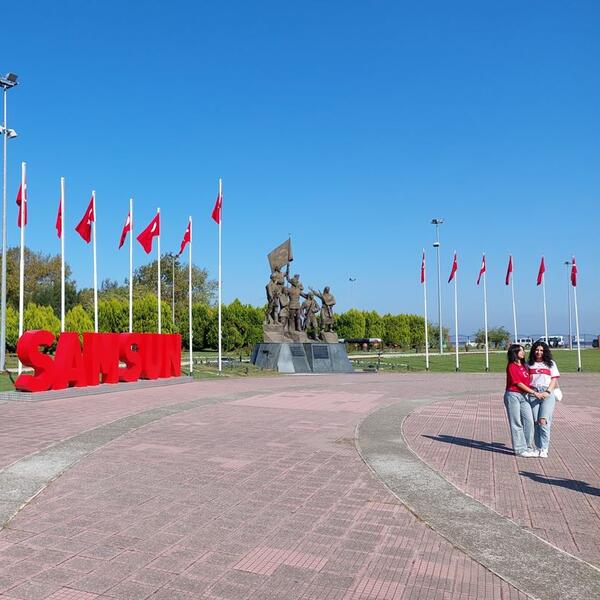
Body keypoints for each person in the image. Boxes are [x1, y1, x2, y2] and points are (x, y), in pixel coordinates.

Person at [504, 344, 545, 457]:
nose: (523, 352)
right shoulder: (511, 366)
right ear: (515, 353)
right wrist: (534, 393)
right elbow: (518, 383)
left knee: (529, 421)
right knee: (516, 422)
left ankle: (528, 447)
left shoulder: (524, 366)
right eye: (520, 351)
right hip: (513, 396)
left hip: (524, 396)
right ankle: (519, 449)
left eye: (523, 350)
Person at [527, 341, 560, 458]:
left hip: (547, 394)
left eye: (541, 350)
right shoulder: (529, 364)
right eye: (537, 350)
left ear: (545, 351)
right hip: (533, 394)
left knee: (543, 421)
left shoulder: (550, 363)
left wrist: (547, 392)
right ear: (533, 351)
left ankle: (544, 448)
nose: (539, 352)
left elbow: (554, 379)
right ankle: (538, 447)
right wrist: (534, 393)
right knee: (536, 422)